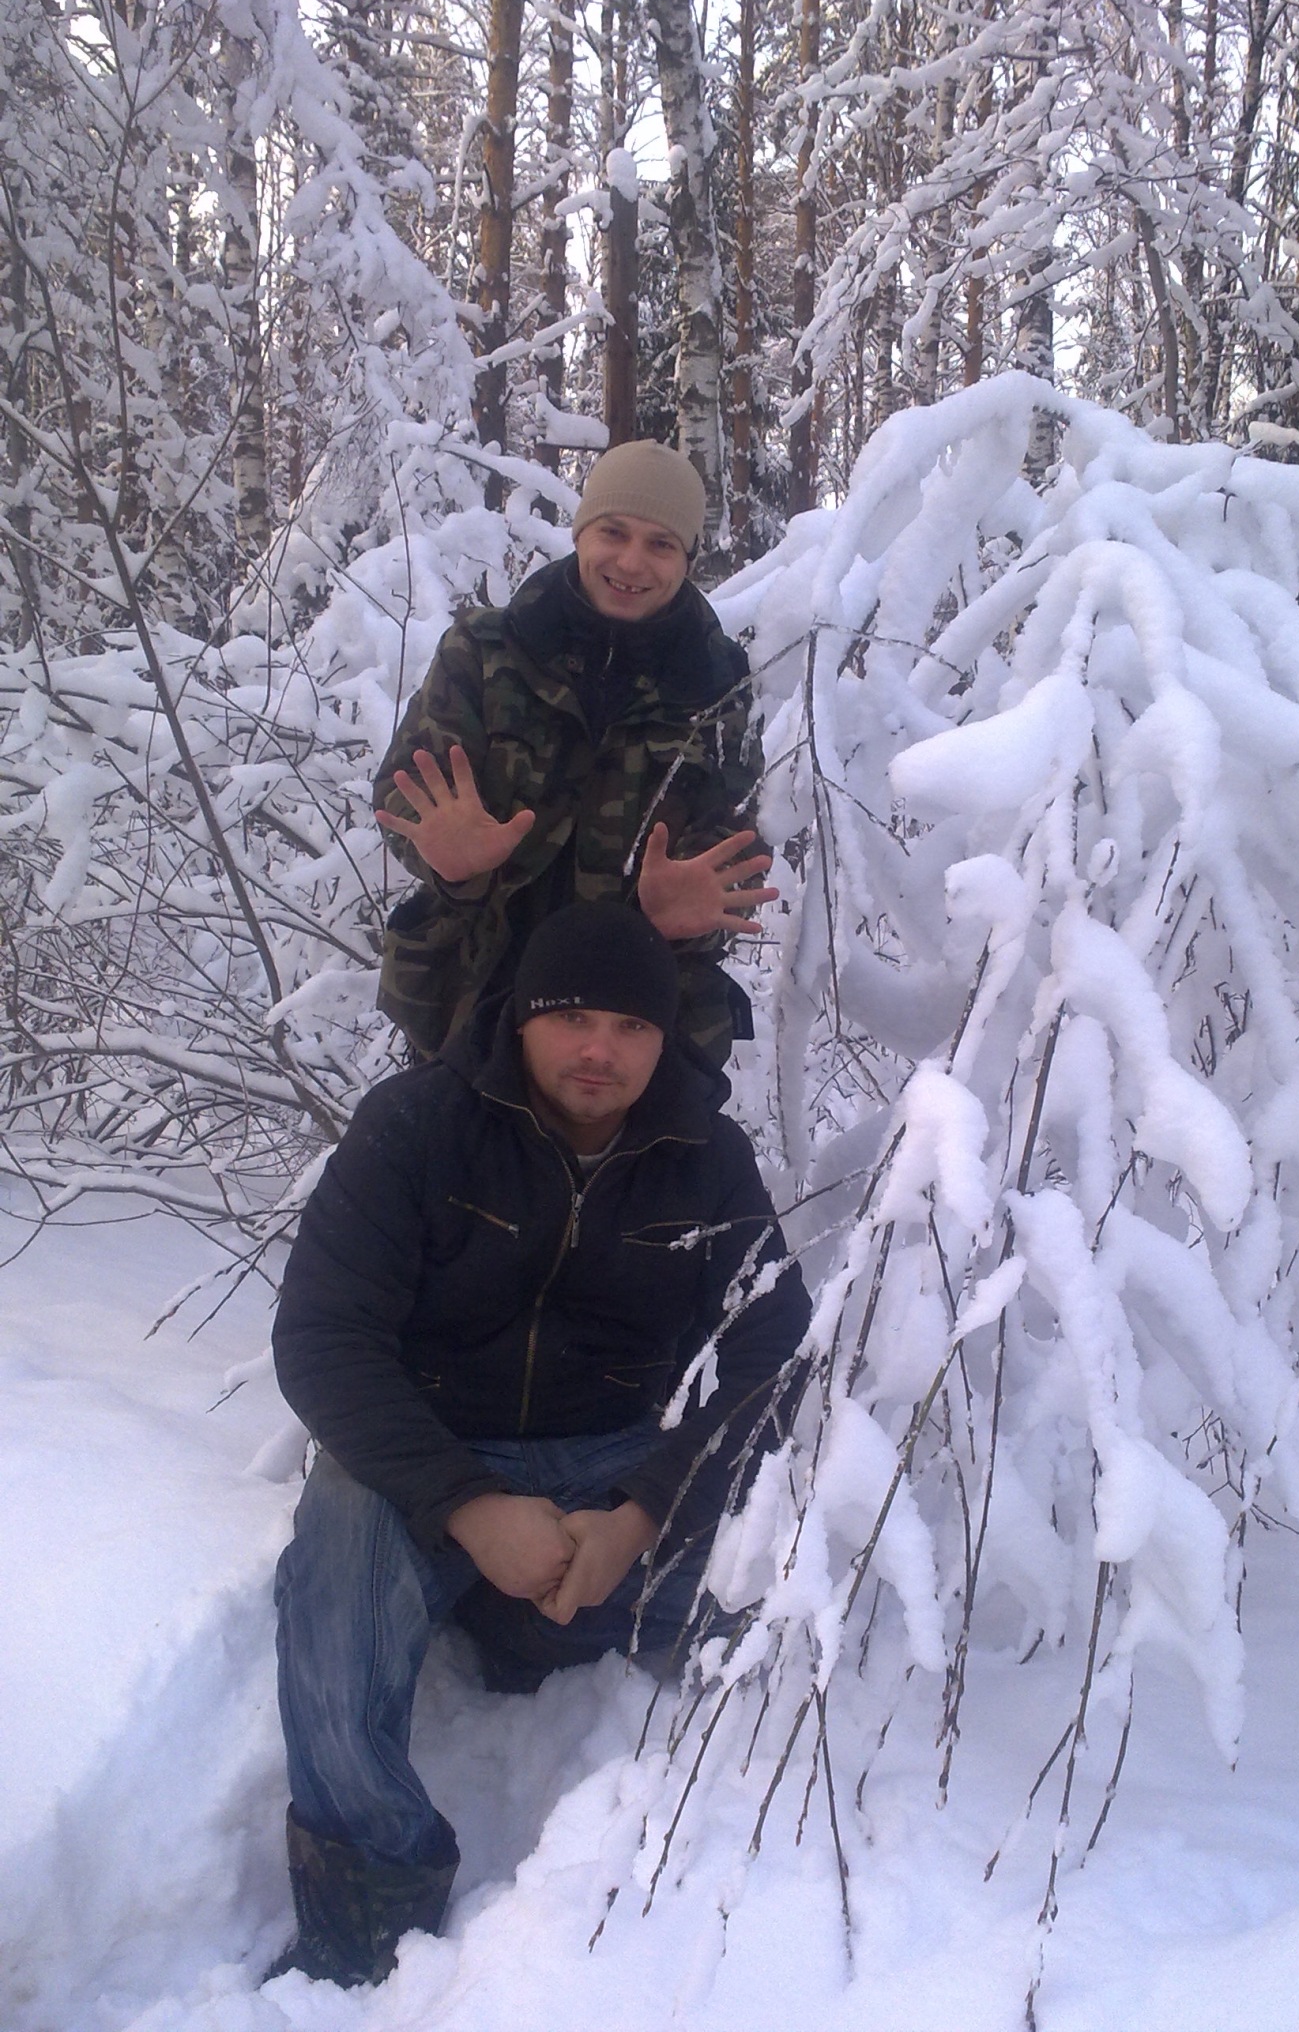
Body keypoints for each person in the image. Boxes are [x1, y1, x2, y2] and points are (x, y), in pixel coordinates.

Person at [266, 901, 810, 1989]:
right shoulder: (419, 1124)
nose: (600, 1050)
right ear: (520, 1018)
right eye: (571, 1018)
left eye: (630, 1025)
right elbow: (323, 1339)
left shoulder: (705, 1152)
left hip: (610, 1458)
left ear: (663, 1036)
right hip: (423, 1455)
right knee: (333, 1622)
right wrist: (472, 1506)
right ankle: (371, 1899)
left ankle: (532, 1624)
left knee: (766, 1586)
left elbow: (773, 1345)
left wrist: (641, 1514)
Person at [374, 440, 776, 1068]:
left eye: (661, 544)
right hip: (473, 1003)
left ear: (688, 558)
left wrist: (689, 908)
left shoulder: (720, 686)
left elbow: (741, 841)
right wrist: (451, 860)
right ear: (581, 531)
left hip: (638, 1018)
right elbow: (408, 792)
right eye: (613, 532)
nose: (631, 562)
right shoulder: (485, 650)